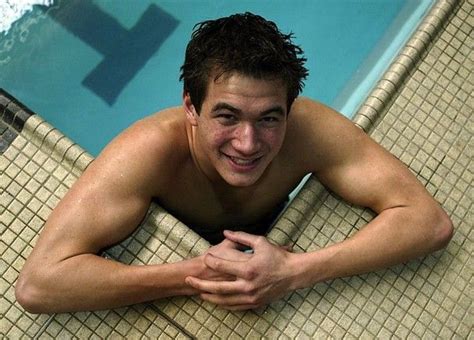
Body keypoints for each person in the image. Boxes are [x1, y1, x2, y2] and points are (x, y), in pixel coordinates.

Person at [15, 12, 453, 313]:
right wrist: (201, 271)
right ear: (191, 107)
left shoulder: (310, 129)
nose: (247, 144)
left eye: (268, 118)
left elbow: (427, 222)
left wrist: (294, 271)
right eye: (227, 116)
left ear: (289, 107)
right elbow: (41, 283)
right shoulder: (148, 152)